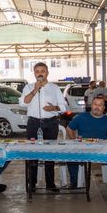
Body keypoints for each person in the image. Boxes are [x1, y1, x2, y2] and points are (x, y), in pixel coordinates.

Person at [19, 62, 68, 193]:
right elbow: (23, 103)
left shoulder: (54, 88)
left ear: (47, 73)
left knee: (49, 153)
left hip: (51, 123)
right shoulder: (28, 87)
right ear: (34, 74)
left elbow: (63, 107)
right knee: (32, 153)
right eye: (37, 71)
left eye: (43, 71)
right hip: (34, 123)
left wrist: (54, 108)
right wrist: (35, 89)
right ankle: (32, 183)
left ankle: (50, 183)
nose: (40, 73)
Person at [66, 95, 107, 188]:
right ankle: (74, 182)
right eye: (95, 104)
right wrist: (73, 140)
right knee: (71, 154)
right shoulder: (81, 117)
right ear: (91, 105)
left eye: (100, 105)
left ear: (104, 108)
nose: (97, 107)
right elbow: (69, 128)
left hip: (103, 148)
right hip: (83, 147)